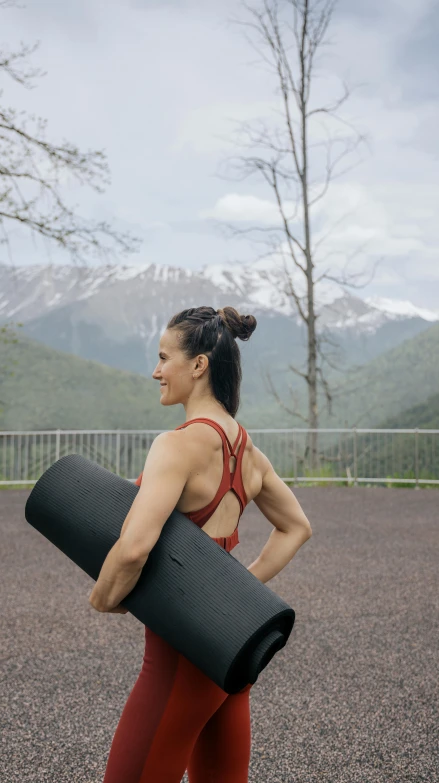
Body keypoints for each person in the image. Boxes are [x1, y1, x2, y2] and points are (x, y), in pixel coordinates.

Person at [102, 306, 312, 783]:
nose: (156, 371)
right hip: (229, 650)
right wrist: (238, 589)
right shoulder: (246, 449)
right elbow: (297, 527)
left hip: (180, 656)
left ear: (198, 365)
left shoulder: (177, 446)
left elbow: (135, 548)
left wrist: (104, 597)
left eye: (163, 358)